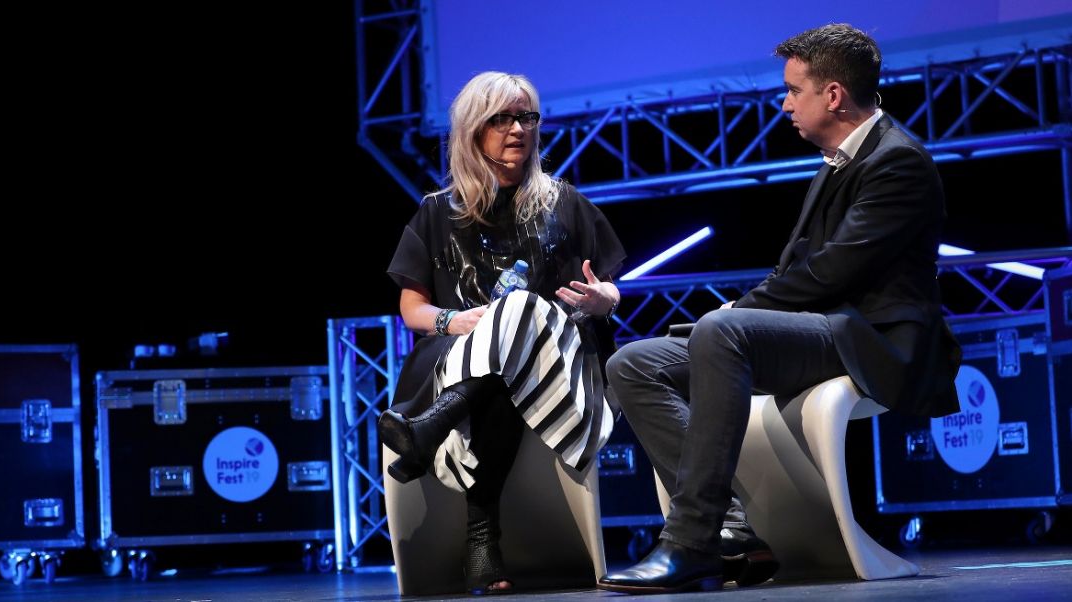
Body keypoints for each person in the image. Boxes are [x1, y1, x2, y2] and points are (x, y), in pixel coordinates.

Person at [598, 23, 962, 594]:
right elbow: (793, 272)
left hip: (874, 340)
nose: (785, 103)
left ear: (833, 95)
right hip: (820, 329)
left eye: (794, 90)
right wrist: (728, 318)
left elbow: (829, 275)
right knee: (633, 363)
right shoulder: (836, 161)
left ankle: (690, 540)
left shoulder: (899, 163)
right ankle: (736, 533)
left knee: (722, 333)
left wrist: (726, 320)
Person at [381, 71, 625, 595]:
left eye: (527, 117)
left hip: (556, 368)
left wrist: (607, 298)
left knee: (517, 310)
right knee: (499, 353)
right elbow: (412, 309)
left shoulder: (564, 203)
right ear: (473, 129)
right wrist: (457, 321)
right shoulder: (436, 212)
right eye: (502, 118)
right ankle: (480, 531)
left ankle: (432, 437)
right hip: (459, 360)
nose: (518, 128)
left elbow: (607, 289)